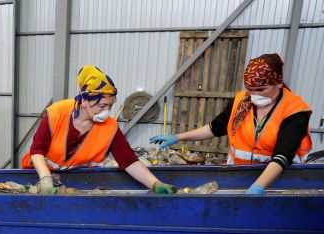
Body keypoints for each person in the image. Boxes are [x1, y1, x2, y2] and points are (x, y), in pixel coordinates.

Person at [149, 53, 312, 195]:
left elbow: (282, 156)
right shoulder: (242, 102)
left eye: (260, 89)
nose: (253, 95)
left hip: (277, 182)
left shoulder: (295, 109)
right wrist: (177, 137)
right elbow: (214, 128)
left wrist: (257, 188)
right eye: (249, 89)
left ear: (278, 83)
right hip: (238, 178)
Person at [21, 65, 176, 194]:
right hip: (38, 177)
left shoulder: (110, 127)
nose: (107, 111)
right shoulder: (56, 113)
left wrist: (155, 183)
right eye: (102, 106)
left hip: (75, 182)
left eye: (110, 105)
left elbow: (129, 161)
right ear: (84, 101)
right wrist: (46, 179)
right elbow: (37, 149)